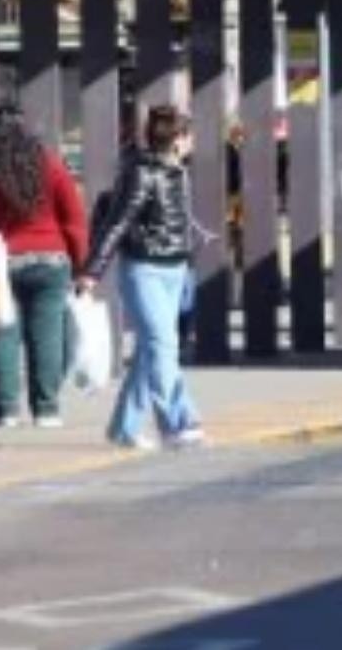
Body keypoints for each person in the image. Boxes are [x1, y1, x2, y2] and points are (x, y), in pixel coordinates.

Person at [82, 105, 204, 450]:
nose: (193, 141)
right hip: (145, 269)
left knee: (152, 351)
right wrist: (92, 271)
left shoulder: (178, 171)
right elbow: (116, 223)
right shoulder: (141, 172)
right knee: (163, 346)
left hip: (175, 269)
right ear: (178, 139)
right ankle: (177, 422)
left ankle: (124, 428)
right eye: (189, 134)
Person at [0, 104, 88, 429]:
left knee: (1, 333)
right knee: (48, 335)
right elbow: (74, 217)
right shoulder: (50, 164)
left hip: (1, 257)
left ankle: (6, 409)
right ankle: (46, 409)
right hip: (50, 258)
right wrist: (81, 265)